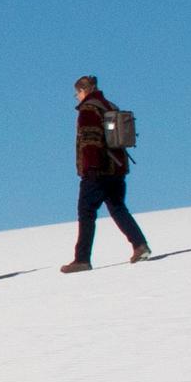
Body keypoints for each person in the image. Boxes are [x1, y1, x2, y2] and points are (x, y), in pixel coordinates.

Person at [62, 74, 148, 271]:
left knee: (86, 212)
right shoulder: (110, 106)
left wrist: (90, 169)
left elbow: (90, 139)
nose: (77, 98)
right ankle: (139, 245)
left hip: (97, 172)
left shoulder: (88, 110)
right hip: (117, 169)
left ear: (84, 91)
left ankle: (82, 259)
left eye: (77, 94)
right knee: (118, 208)